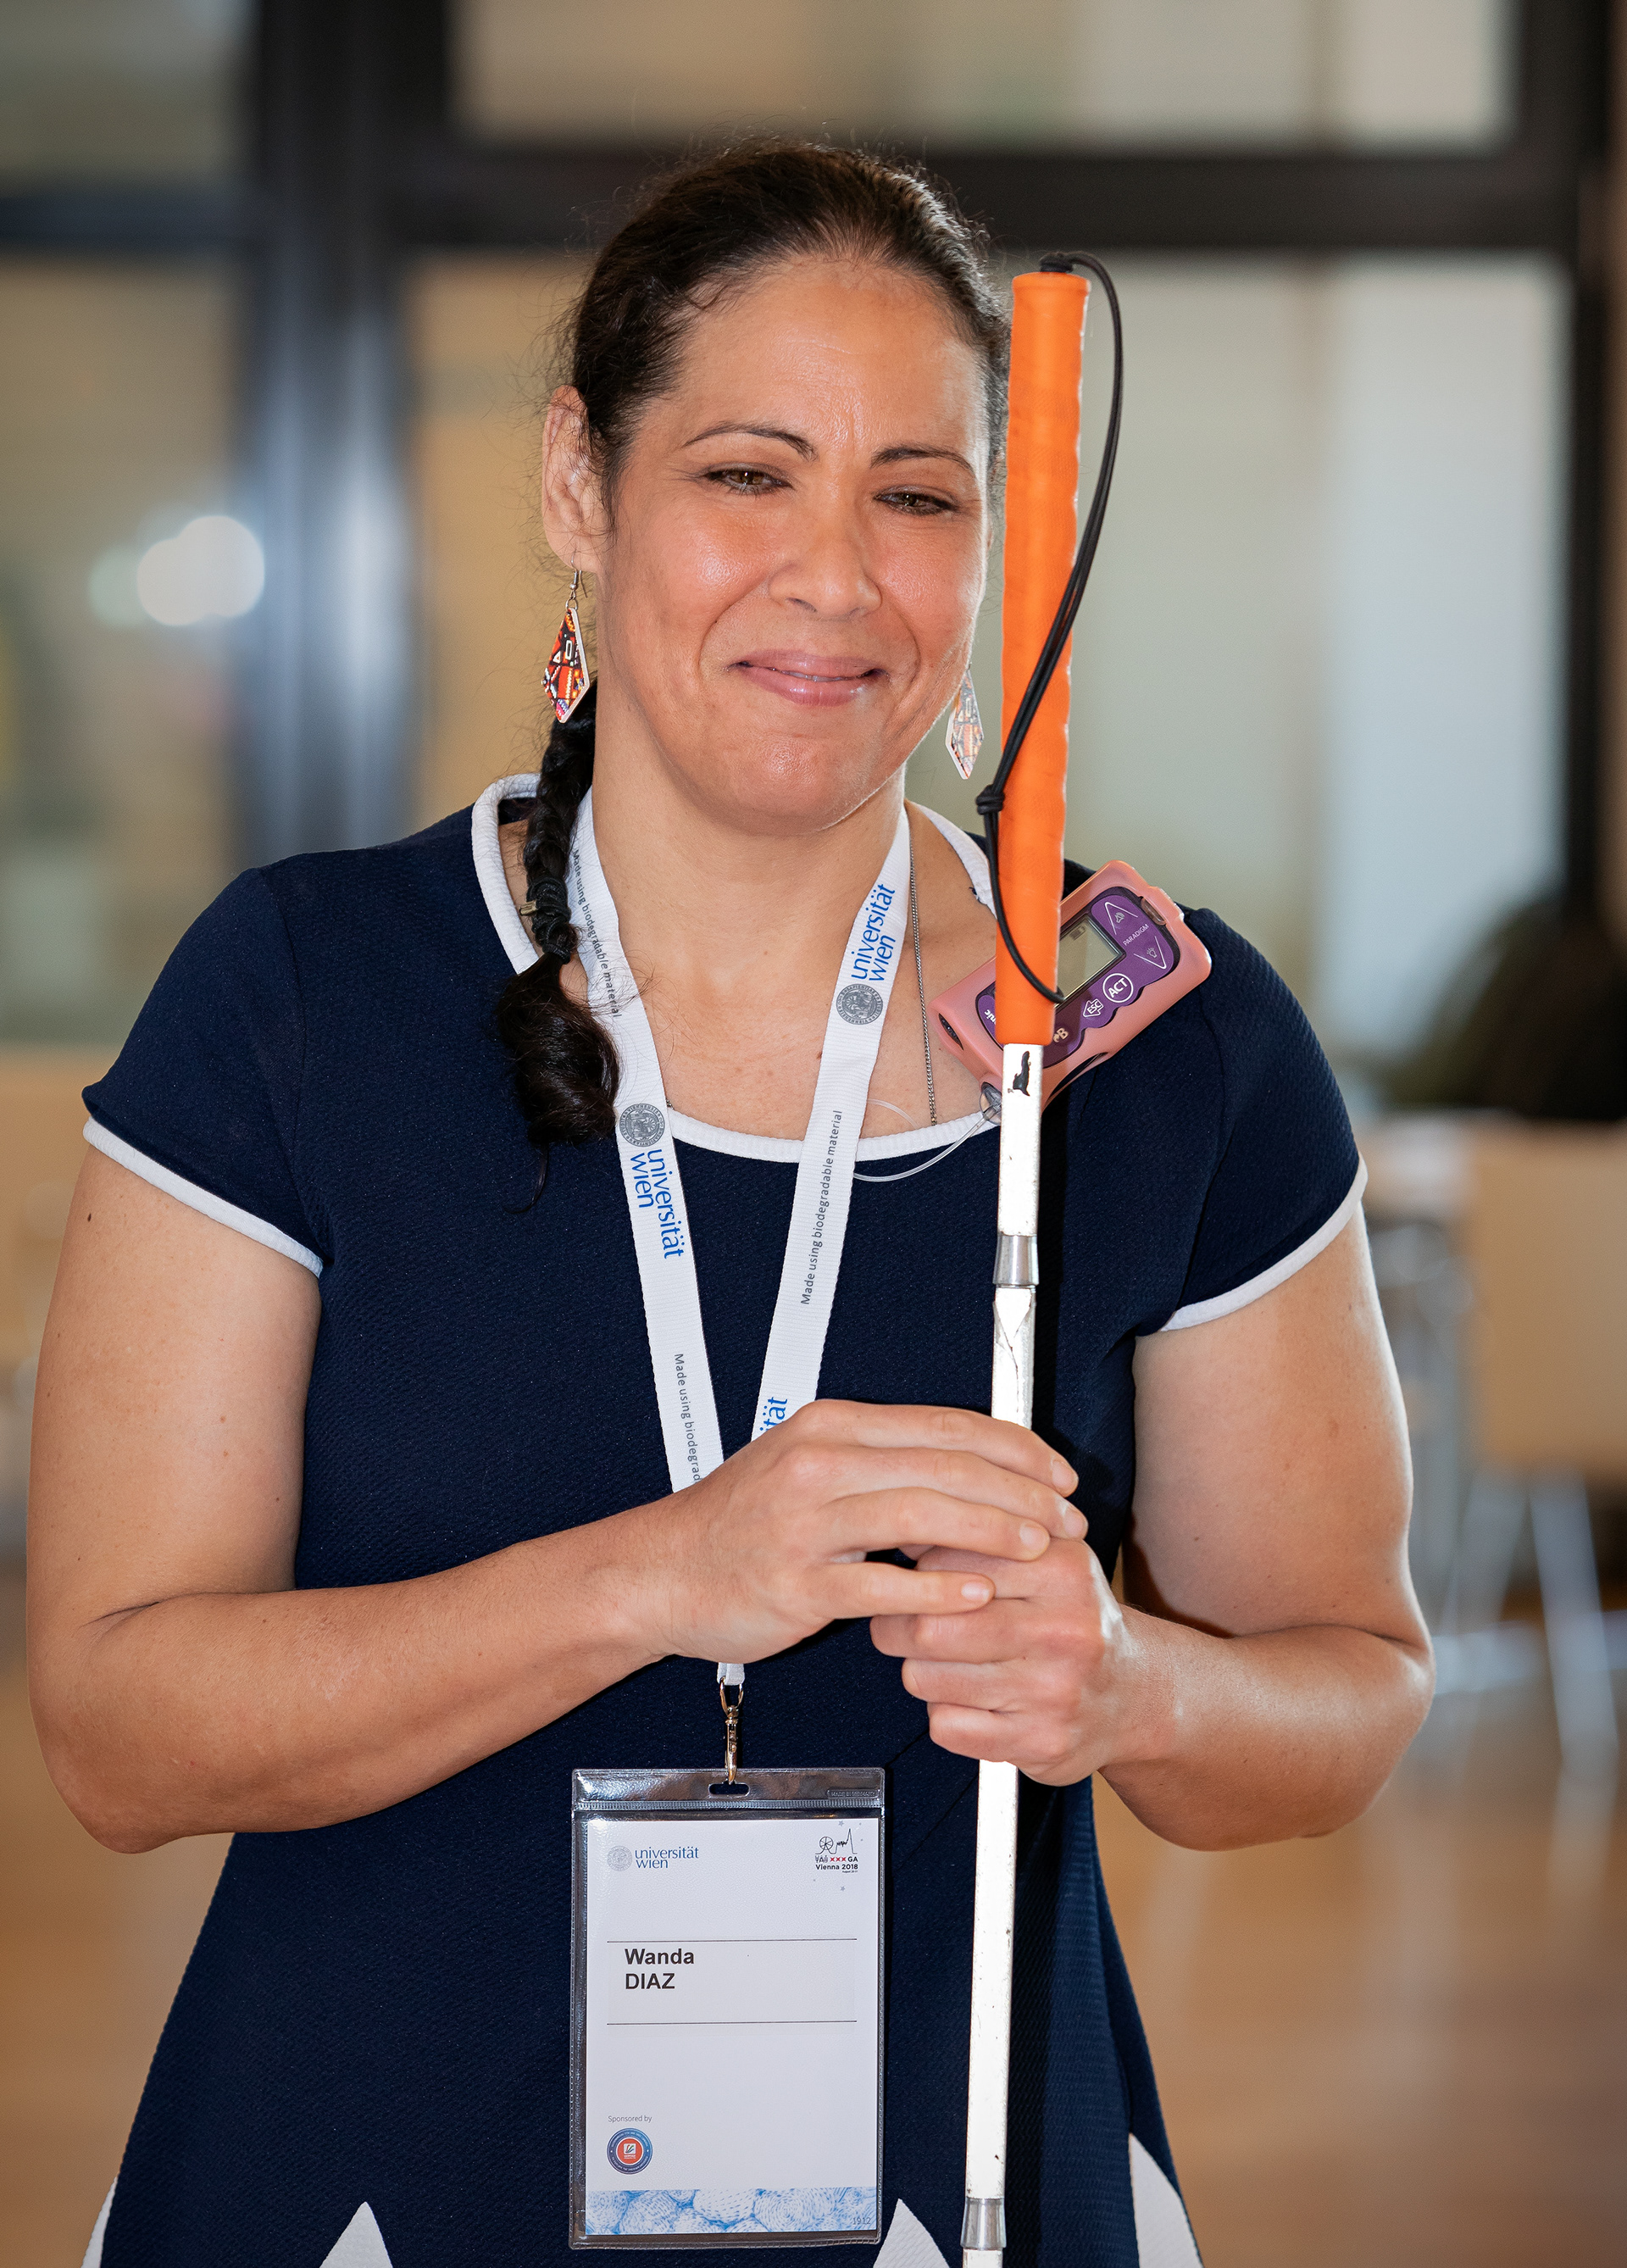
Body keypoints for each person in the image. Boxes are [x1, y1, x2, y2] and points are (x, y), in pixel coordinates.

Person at [28, 142, 1430, 2268]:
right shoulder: (306, 997)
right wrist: (668, 1575)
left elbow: (1349, 1687)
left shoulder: (1146, 1056)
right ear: (583, 491)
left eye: (920, 494)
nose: (836, 577)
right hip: (363, 2183)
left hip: (959, 2192)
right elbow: (119, 1732)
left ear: (1005, 549)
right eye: (750, 475)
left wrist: (1133, 1688)